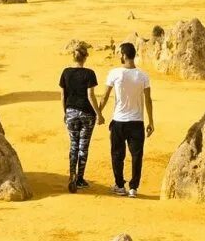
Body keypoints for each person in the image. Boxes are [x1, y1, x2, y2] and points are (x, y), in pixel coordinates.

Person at [98, 42, 154, 198]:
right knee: (137, 156)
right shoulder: (143, 75)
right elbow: (148, 100)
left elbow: (105, 96)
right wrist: (151, 122)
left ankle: (120, 185)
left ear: (123, 55)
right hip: (137, 122)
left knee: (117, 154)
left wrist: (99, 113)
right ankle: (133, 188)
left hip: (119, 121)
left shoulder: (115, 73)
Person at [59, 41, 104, 193]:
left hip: (71, 112)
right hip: (86, 114)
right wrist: (99, 114)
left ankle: (72, 174)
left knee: (73, 144)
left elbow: (63, 95)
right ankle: (79, 179)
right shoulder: (89, 74)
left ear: (73, 57)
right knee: (83, 147)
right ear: (85, 58)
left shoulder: (66, 72)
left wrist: (65, 112)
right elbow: (90, 95)